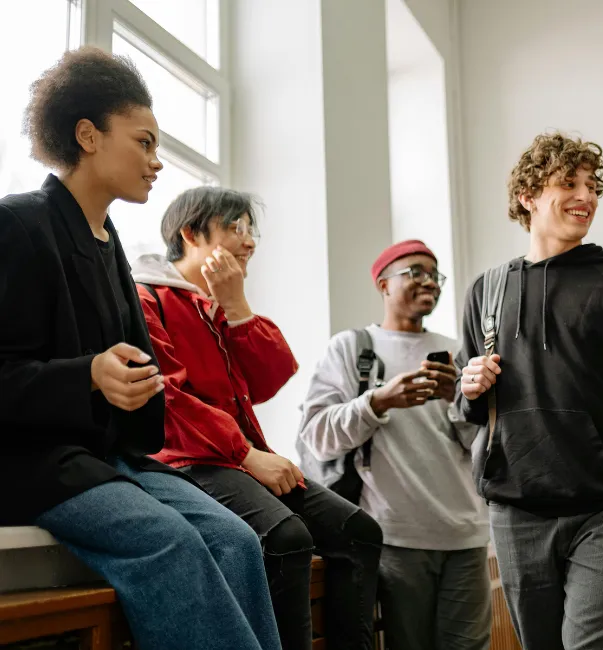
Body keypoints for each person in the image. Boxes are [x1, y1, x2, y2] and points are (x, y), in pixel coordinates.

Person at [0, 47, 282, 650]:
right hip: (32, 459)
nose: (157, 162)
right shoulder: (18, 224)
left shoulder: (112, 247)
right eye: (144, 142)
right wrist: (88, 376)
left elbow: (139, 392)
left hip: (107, 458)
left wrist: (126, 384)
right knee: (174, 542)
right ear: (87, 135)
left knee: (236, 539)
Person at [454, 132, 603, 649]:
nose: (585, 196)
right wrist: (470, 387)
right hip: (516, 509)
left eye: (591, 185)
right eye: (568, 183)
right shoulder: (487, 290)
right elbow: (466, 408)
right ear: (528, 196)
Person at [131, 186, 383, 650]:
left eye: (252, 231)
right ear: (191, 234)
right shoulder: (145, 297)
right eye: (236, 228)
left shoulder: (216, 307)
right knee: (286, 537)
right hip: (189, 461)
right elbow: (166, 397)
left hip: (240, 457)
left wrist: (238, 307)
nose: (250, 242)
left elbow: (269, 379)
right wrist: (247, 455)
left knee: (358, 531)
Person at [296, 239, 491, 650]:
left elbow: (487, 446)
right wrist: (378, 401)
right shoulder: (351, 349)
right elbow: (315, 437)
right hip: (396, 537)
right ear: (384, 285)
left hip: (467, 535)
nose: (429, 283)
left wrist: (456, 401)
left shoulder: (458, 353)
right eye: (415, 272)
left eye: (434, 275)